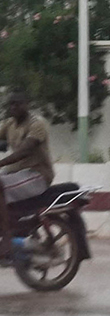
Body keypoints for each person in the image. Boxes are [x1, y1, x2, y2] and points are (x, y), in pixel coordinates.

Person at [0, 92, 56, 265]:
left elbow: (25, 150)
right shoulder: (10, 124)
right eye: (12, 105)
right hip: (16, 175)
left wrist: (1, 163)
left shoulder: (36, 124)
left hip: (37, 175)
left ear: (27, 104)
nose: (14, 108)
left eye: (18, 104)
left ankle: (7, 239)